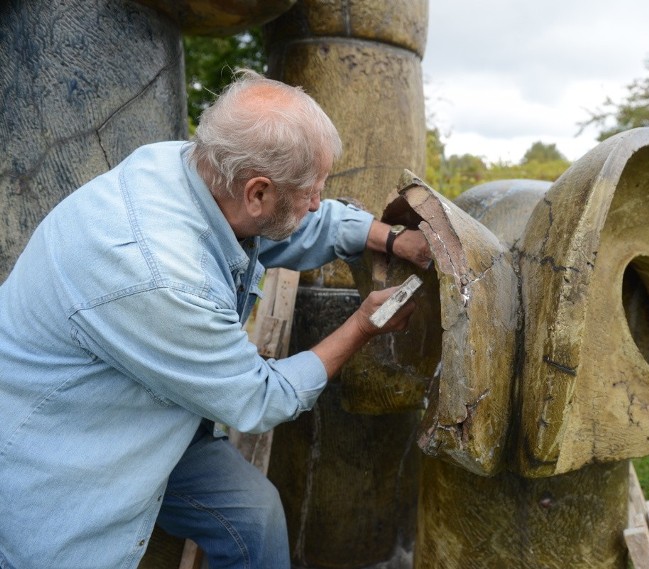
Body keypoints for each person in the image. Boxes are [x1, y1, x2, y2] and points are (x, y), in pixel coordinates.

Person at [0, 69, 432, 569]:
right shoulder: (159, 273)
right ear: (257, 192)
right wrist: (362, 326)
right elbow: (260, 397)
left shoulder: (197, 168)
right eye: (313, 190)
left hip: (148, 406)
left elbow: (288, 228)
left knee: (254, 516)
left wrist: (395, 240)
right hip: (69, 449)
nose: (319, 202)